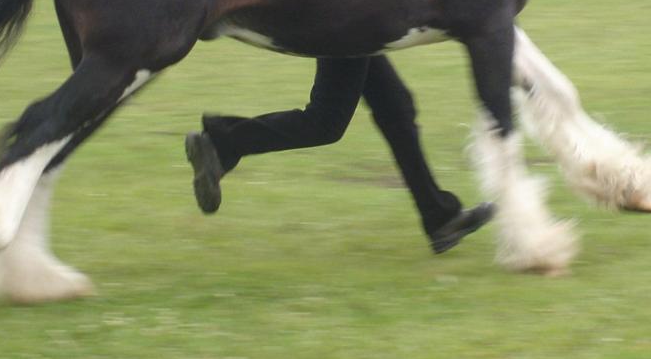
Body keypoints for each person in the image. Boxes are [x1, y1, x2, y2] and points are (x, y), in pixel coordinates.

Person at [183, 55, 495, 254]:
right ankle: (223, 142)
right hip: (348, 16)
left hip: (356, 14)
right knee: (326, 122)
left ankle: (440, 217)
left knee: (396, 106)